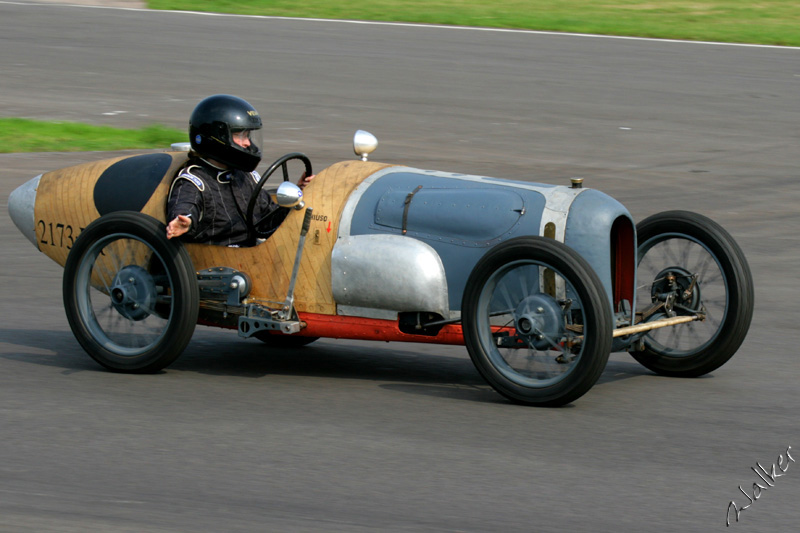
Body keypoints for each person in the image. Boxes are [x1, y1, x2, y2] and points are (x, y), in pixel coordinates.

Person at [166, 94, 313, 246]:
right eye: (239, 135)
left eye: (248, 135)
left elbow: (268, 223)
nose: (247, 143)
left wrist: (298, 195)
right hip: (215, 265)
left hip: (251, 259)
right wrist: (185, 221)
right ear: (217, 136)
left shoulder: (246, 177)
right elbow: (186, 205)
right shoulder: (194, 180)